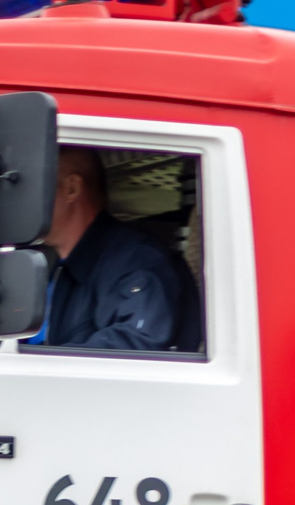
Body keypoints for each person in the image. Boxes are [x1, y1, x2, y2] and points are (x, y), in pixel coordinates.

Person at [36, 147, 197, 353]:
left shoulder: (138, 258)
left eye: (34, 190)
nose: (22, 205)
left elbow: (138, 344)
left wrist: (46, 367)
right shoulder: (63, 267)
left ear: (72, 189)